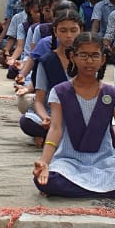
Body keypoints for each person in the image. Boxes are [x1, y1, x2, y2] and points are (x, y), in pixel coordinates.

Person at [34, 32, 115, 199]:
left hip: (106, 163)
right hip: (69, 163)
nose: (89, 61)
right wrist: (45, 162)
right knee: (45, 180)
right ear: (73, 57)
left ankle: (90, 191)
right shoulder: (60, 91)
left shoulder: (113, 93)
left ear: (103, 59)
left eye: (95, 55)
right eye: (83, 55)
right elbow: (55, 128)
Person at [20, 9, 83, 144]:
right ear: (55, 32)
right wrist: (45, 118)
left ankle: (54, 137)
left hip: (81, 114)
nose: (68, 35)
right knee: (27, 121)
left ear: (81, 31)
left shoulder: (86, 59)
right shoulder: (47, 61)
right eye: (63, 30)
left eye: (73, 30)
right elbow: (39, 100)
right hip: (53, 114)